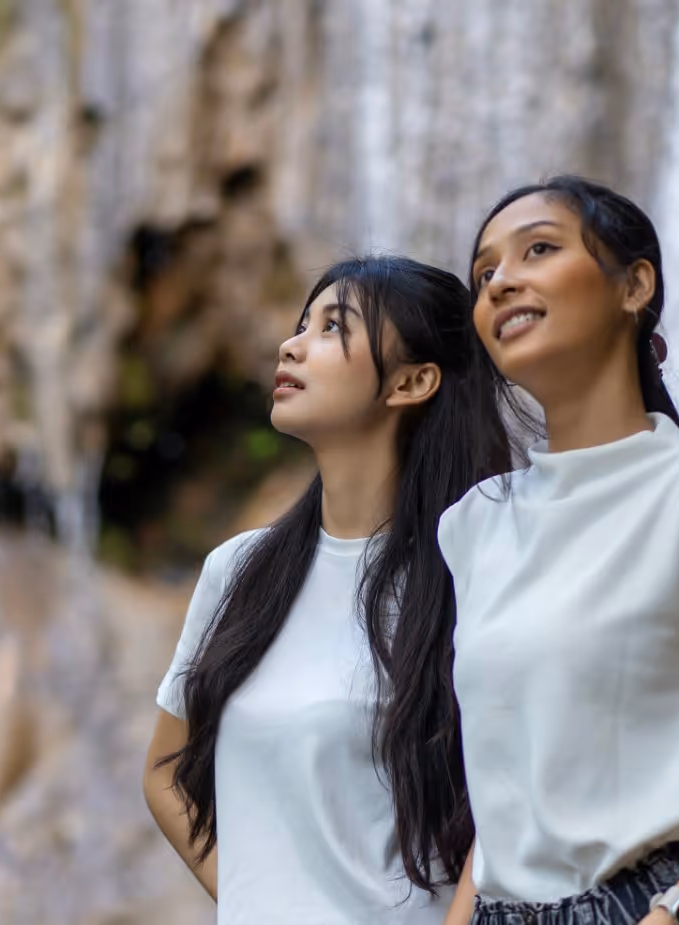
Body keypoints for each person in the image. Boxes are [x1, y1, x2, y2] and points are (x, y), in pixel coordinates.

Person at [440, 176, 679, 925]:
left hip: (664, 904)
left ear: (636, 286)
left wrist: (669, 916)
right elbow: (509, 800)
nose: (501, 282)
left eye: (539, 250)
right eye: (484, 273)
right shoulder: (473, 527)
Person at [144, 255, 513, 923]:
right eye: (300, 325)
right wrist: (249, 898)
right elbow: (165, 768)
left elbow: (510, 804)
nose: (292, 345)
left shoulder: (473, 571)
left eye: (331, 329)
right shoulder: (239, 570)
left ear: (414, 380)